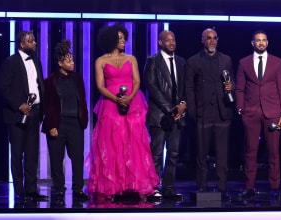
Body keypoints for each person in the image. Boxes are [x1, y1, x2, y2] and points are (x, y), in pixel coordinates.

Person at [87, 24, 159, 200]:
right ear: (110, 40)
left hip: (133, 103)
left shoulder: (131, 58)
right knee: (111, 143)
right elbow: (99, 86)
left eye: (124, 37)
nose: (123, 41)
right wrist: (116, 98)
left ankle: (137, 185)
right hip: (110, 104)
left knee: (134, 142)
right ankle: (111, 186)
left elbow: (136, 81)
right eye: (119, 38)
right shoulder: (101, 61)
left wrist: (129, 97)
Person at [235, 30, 281, 200]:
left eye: (263, 40)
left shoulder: (277, 62)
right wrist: (241, 109)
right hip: (251, 113)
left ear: (267, 42)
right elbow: (239, 88)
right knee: (251, 152)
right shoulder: (243, 63)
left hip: (273, 113)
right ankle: (249, 187)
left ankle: (274, 187)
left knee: (274, 153)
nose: (261, 43)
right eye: (258, 40)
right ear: (253, 43)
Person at [185, 28, 234, 201]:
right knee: (201, 156)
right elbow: (189, 88)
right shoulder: (193, 61)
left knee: (222, 156)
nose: (212, 41)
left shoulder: (226, 59)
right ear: (202, 40)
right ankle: (202, 188)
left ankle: (221, 189)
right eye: (208, 38)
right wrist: (193, 112)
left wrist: (231, 87)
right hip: (203, 113)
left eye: (214, 38)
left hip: (222, 113)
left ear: (217, 40)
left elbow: (231, 81)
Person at [0, 31, 46, 200]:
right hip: (16, 114)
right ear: (21, 44)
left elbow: (40, 86)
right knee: (17, 153)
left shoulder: (37, 61)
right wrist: (20, 105)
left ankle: (32, 189)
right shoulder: (10, 62)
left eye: (34, 40)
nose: (34, 43)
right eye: (30, 41)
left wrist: (41, 112)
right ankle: (19, 190)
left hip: (35, 112)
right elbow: (3, 86)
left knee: (32, 153)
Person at [42, 39, 90, 203]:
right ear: (60, 63)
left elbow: (82, 100)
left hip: (75, 123)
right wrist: (51, 125)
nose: (72, 62)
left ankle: (77, 189)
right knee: (56, 159)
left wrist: (84, 120)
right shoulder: (50, 80)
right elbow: (47, 106)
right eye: (68, 60)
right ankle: (60, 190)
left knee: (77, 158)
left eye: (72, 59)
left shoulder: (78, 78)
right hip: (58, 124)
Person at [144, 30, 186, 200]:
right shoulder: (153, 61)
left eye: (173, 39)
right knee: (156, 153)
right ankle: (153, 187)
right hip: (160, 115)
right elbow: (152, 88)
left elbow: (185, 87)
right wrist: (171, 109)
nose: (171, 43)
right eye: (167, 40)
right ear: (160, 42)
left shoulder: (181, 62)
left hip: (177, 115)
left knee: (174, 153)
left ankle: (168, 187)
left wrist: (183, 105)